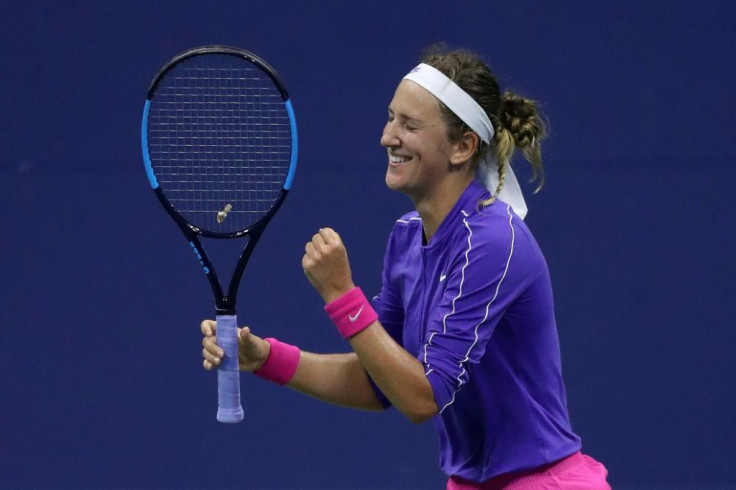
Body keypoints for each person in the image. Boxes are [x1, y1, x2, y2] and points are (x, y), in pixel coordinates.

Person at [201, 45, 611, 489]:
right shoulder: (406, 237)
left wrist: (342, 295)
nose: (387, 136)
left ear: (462, 147)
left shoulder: (492, 242)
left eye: (410, 125)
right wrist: (265, 357)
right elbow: (380, 382)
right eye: (391, 117)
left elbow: (422, 397)